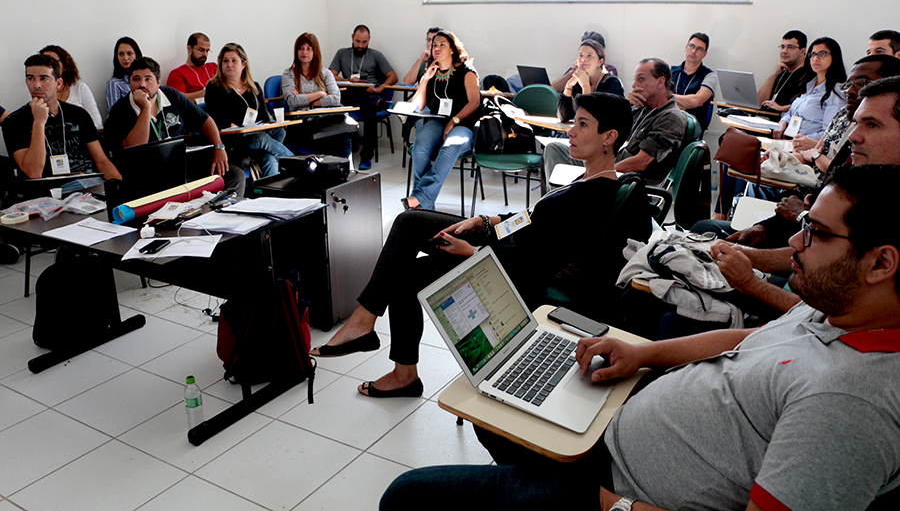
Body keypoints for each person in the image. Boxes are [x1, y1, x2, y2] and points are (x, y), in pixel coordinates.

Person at [380, 165, 900, 511]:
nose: (794, 241)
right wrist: (642, 353)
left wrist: (616, 504)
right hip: (617, 435)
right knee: (503, 415)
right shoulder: (835, 311)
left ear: (881, 262)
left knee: (408, 498)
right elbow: (741, 343)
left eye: (816, 232)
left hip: (616, 491)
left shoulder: (848, 402)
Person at [311, 92, 651, 399]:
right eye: (574, 122)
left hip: (512, 269)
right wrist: (485, 223)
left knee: (407, 255)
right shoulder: (589, 179)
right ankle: (377, 338)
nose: (571, 131)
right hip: (505, 246)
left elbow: (538, 259)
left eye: (582, 124)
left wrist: (473, 253)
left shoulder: (590, 196)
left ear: (609, 137)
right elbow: (533, 218)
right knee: (408, 227)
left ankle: (380, 344)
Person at [712, 74, 900, 314]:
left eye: (872, 125)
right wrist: (749, 256)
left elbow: (828, 317)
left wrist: (750, 283)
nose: (853, 136)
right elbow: (813, 243)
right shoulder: (864, 178)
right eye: (857, 123)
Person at [105, 57, 244, 196]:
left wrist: (218, 146)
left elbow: (205, 120)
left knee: (234, 175)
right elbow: (134, 148)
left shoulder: (170, 95)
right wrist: (145, 110)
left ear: (158, 82)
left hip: (182, 163)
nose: (142, 84)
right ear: (129, 83)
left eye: (148, 79)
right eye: (136, 79)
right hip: (148, 172)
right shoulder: (120, 109)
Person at [543, 58, 687, 188]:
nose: (635, 85)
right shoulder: (642, 107)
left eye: (641, 79)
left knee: (562, 162)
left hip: (627, 182)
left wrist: (601, 172)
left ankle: (562, 207)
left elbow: (640, 162)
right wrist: (626, 105)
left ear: (660, 82)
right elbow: (605, 128)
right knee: (555, 149)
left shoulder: (670, 118)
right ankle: (559, 205)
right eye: (635, 79)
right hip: (608, 162)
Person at [3, 54, 120, 180]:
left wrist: (121, 188)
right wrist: (38, 123)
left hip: (87, 185)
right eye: (31, 78)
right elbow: (33, 172)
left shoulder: (78, 114)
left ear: (58, 83)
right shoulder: (14, 121)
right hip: (47, 193)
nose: (36, 85)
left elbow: (101, 161)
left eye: (44, 78)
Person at [402, 30, 482, 211]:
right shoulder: (433, 72)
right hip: (439, 121)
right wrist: (424, 80)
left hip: (465, 123)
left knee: (449, 147)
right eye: (434, 45)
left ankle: (419, 199)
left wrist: (454, 121)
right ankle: (424, 205)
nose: (436, 48)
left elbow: (475, 102)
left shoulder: (466, 71)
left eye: (442, 45)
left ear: (453, 49)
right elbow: (418, 106)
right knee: (420, 147)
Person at [205, 43, 292, 178]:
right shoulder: (214, 87)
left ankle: (272, 190)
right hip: (234, 139)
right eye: (225, 61)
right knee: (261, 138)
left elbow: (264, 115)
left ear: (243, 64)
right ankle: (297, 163)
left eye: (234, 61)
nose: (229, 64)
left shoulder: (254, 87)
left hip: (254, 133)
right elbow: (213, 116)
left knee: (278, 135)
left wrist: (272, 123)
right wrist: (229, 124)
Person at [329, 25, 398, 169]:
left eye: (364, 42)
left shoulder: (376, 55)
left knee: (369, 110)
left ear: (369, 40)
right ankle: (380, 102)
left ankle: (366, 156)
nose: (361, 45)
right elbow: (331, 75)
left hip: (369, 92)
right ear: (352, 38)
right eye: (358, 41)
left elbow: (393, 76)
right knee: (336, 103)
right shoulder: (342, 53)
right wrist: (348, 80)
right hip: (348, 93)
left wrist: (379, 88)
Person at [281, 32, 351, 158]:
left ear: (315, 52)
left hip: (326, 120)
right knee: (327, 139)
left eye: (309, 49)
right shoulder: (288, 74)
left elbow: (335, 98)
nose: (304, 52)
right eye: (301, 48)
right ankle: (328, 172)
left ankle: (342, 172)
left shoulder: (325, 73)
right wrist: (321, 93)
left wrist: (307, 101)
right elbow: (293, 102)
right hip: (301, 123)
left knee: (343, 137)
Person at [774, 36, 846, 142]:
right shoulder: (807, 84)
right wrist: (783, 122)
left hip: (806, 147)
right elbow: (792, 112)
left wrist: (803, 140)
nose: (815, 58)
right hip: (787, 139)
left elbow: (828, 132)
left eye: (822, 54)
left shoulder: (836, 92)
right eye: (813, 54)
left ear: (834, 57)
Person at [556, 39, 625, 122]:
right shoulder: (577, 83)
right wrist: (568, 86)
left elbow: (590, 120)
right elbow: (564, 117)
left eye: (589, 56)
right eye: (580, 55)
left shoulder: (612, 83)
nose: (583, 59)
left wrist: (586, 87)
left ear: (600, 61)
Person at [38, 45, 102, 130]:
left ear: (65, 66)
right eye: (45, 63)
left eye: (54, 62)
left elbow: (97, 123)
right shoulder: (38, 90)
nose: (50, 66)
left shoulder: (80, 88)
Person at [671, 32, 717, 131]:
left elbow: (696, 101)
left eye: (699, 49)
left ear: (705, 54)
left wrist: (669, 96)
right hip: (669, 116)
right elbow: (658, 98)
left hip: (692, 122)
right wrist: (687, 102)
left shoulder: (709, 76)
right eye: (691, 46)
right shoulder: (670, 72)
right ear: (686, 47)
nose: (693, 51)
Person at [756, 30, 811, 113]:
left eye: (790, 47)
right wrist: (774, 74)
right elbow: (758, 102)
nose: (784, 51)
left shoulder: (809, 75)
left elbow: (808, 107)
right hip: (765, 118)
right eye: (782, 47)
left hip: (784, 122)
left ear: (802, 51)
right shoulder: (781, 70)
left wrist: (781, 108)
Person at [166, 32, 216, 102]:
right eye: (201, 50)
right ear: (189, 48)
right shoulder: (177, 74)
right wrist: (205, 93)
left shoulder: (213, 67)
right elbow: (178, 99)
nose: (204, 54)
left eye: (207, 50)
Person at [105, 36, 142, 110]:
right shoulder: (114, 84)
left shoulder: (145, 80)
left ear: (136, 55)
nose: (125, 58)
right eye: (121, 54)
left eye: (129, 53)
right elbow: (114, 114)